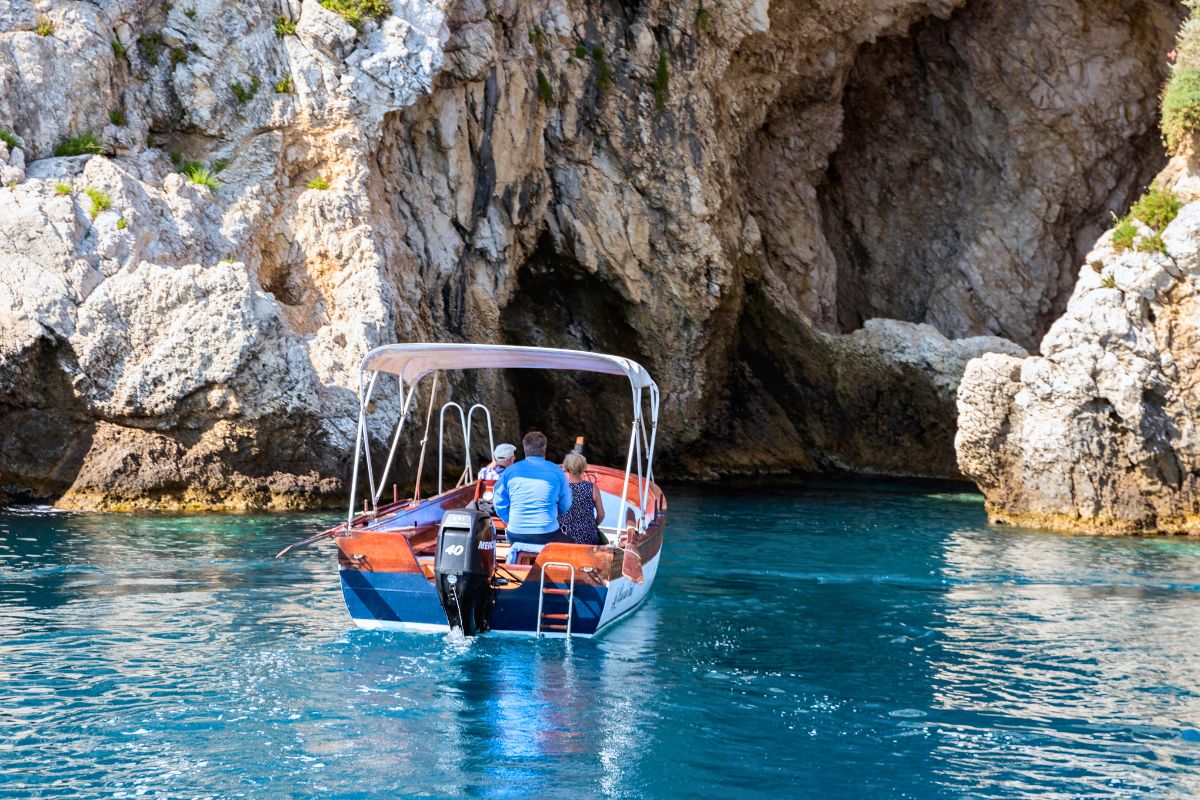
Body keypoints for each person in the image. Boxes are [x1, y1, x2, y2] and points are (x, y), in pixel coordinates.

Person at [493, 431, 572, 563]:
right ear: (545, 448)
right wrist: (556, 515)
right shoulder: (557, 471)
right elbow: (566, 503)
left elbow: (499, 503)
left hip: (516, 534)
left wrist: (507, 521)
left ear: (525, 449)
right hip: (547, 534)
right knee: (571, 541)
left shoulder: (509, 472)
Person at [558, 452, 604, 545]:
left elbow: (557, 516)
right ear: (583, 468)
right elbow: (601, 515)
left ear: (566, 468)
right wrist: (592, 526)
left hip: (566, 538)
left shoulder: (561, 489)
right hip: (589, 539)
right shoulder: (592, 488)